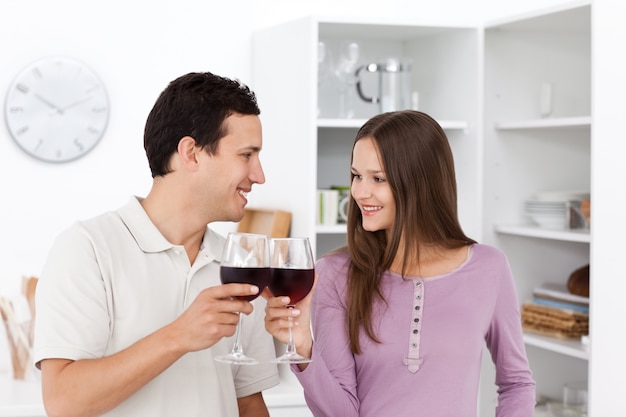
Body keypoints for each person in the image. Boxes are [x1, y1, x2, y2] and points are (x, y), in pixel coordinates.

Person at [33, 72, 280, 417]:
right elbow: (63, 401)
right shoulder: (88, 249)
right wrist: (179, 335)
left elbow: (248, 403)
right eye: (246, 155)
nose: (259, 174)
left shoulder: (239, 263)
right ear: (191, 153)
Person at [264, 110, 536, 417]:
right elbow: (342, 413)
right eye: (356, 175)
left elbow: (516, 384)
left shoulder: (489, 267)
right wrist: (303, 349)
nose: (359, 192)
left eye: (378, 178)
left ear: (421, 181)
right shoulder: (335, 273)